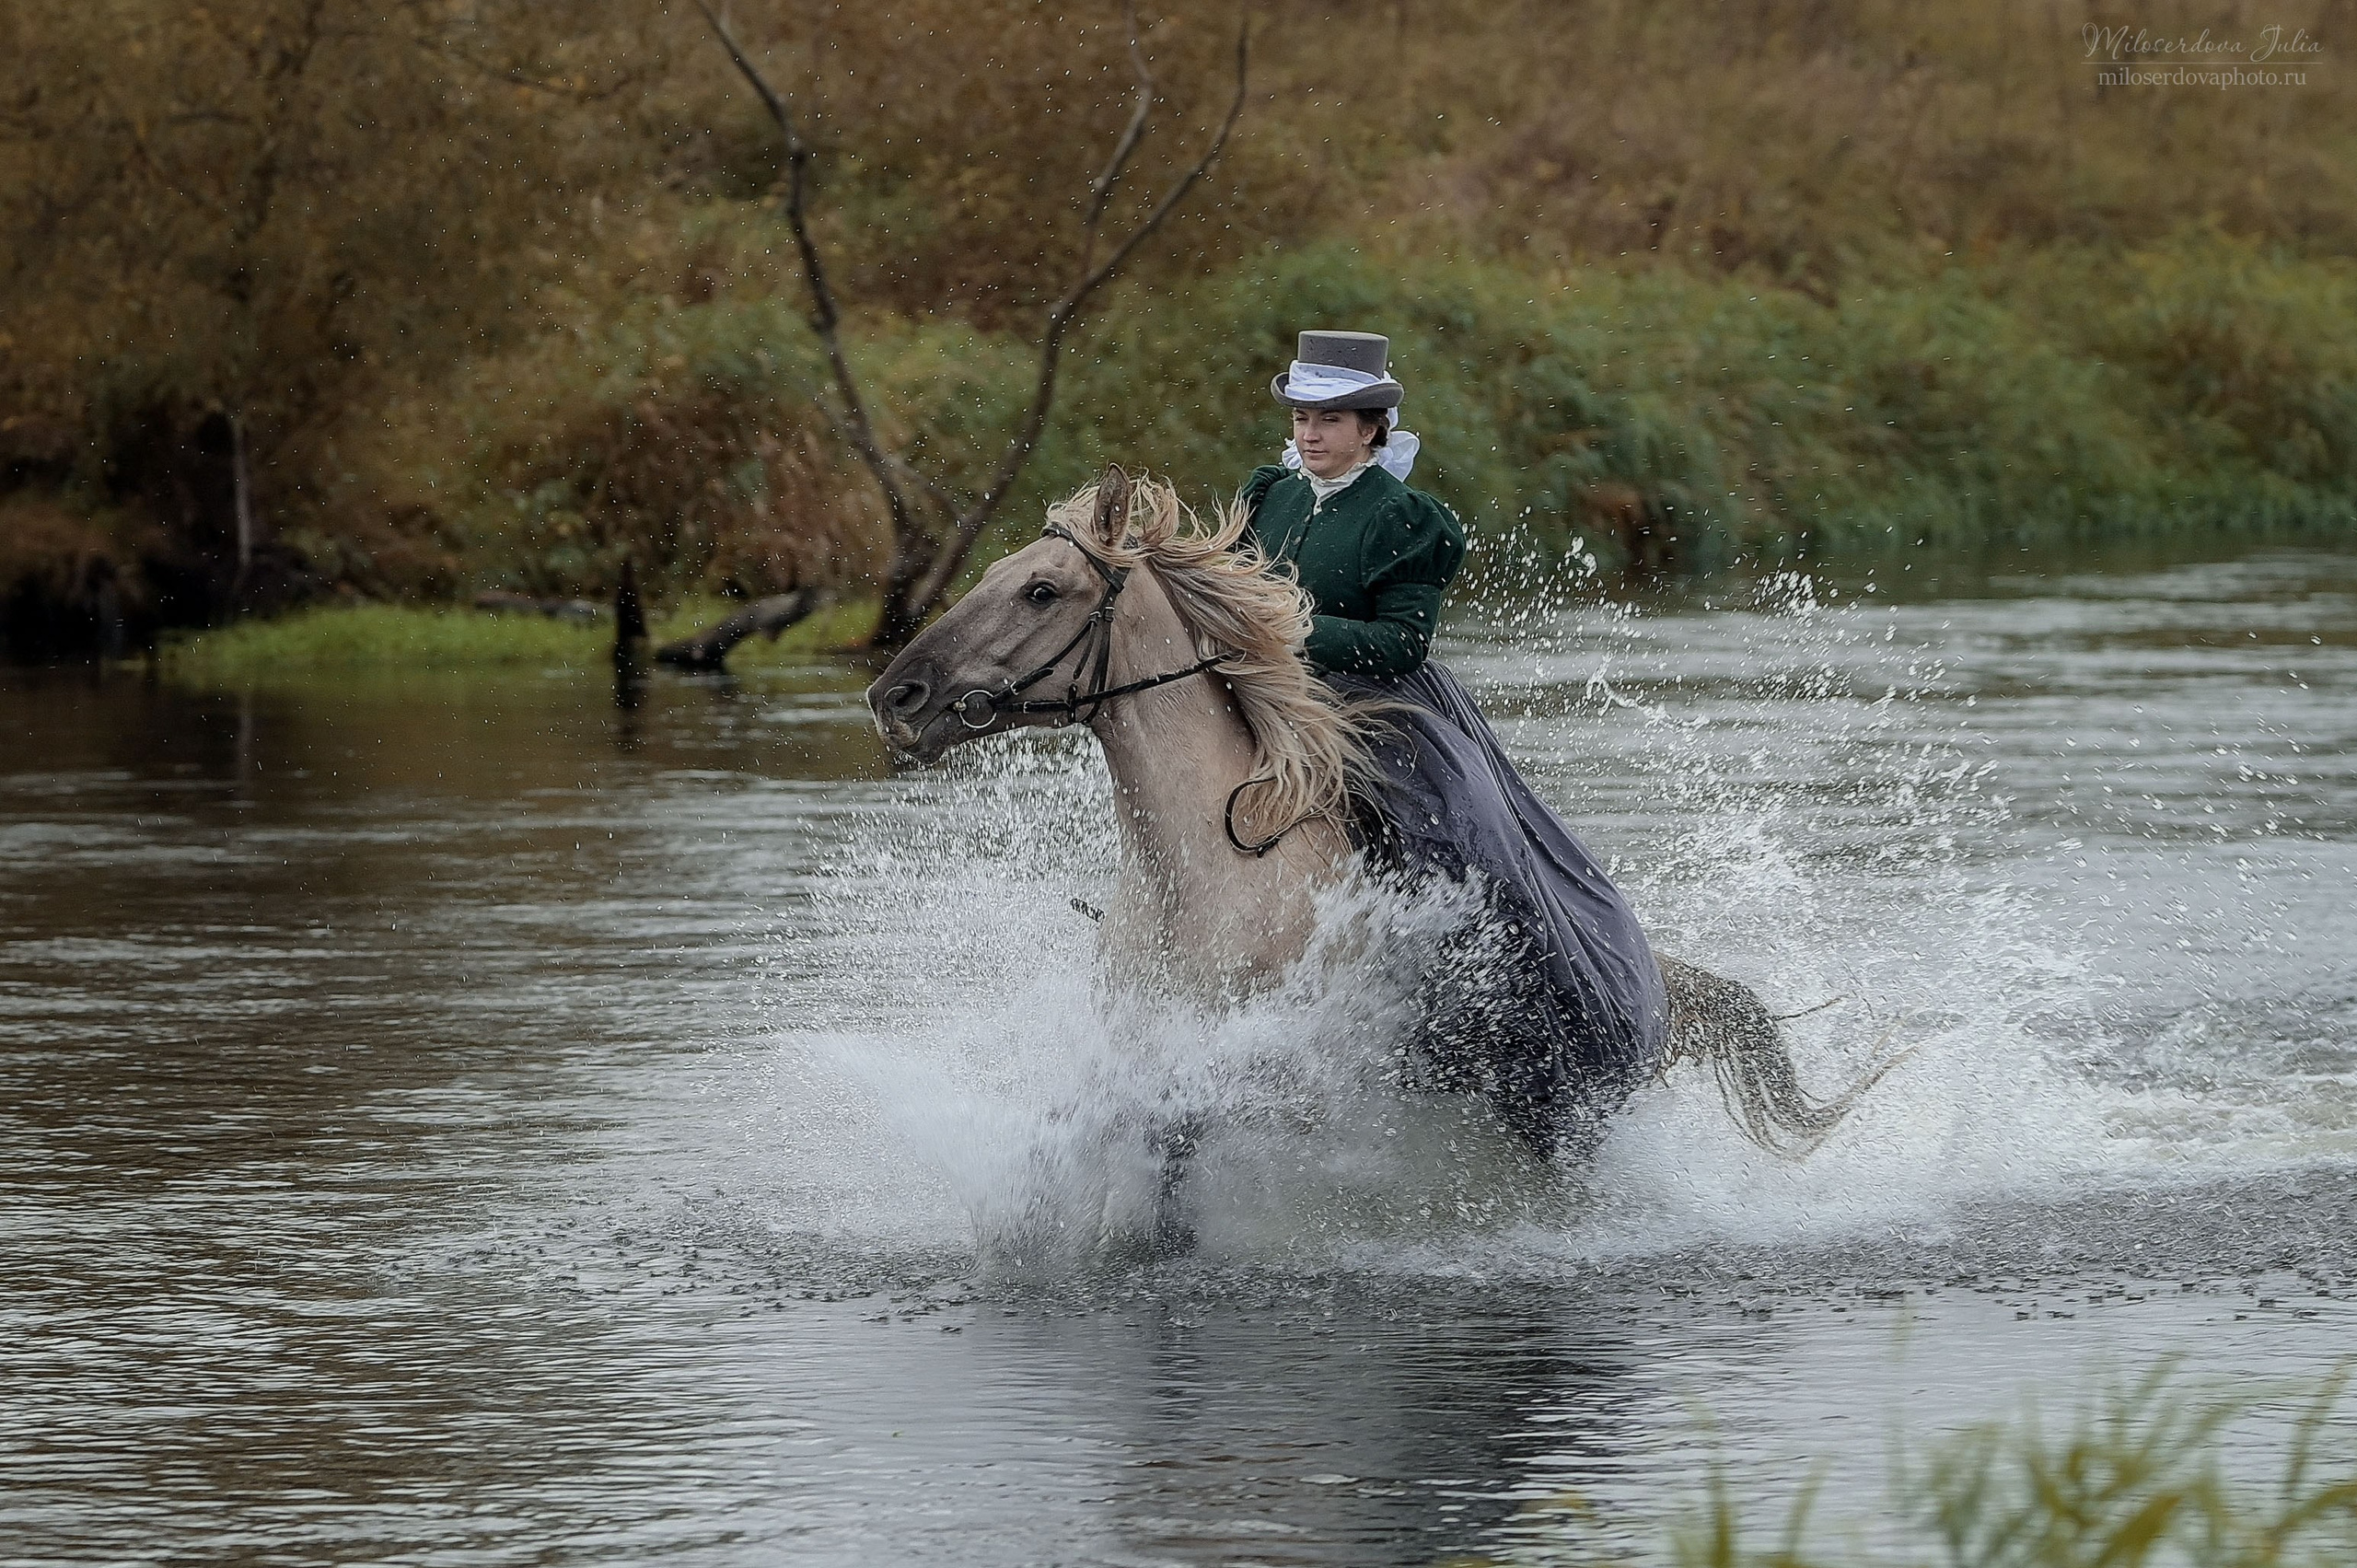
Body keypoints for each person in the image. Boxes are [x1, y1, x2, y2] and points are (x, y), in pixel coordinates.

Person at [1240, 331, 1669, 1153]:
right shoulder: (1270, 495)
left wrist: (1289, 629)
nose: (1310, 434)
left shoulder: (1403, 518)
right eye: (1302, 418)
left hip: (1375, 705)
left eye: (1329, 420)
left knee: (1446, 837)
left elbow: (1402, 644)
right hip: (1266, 692)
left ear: (1371, 428)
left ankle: (1459, 990)